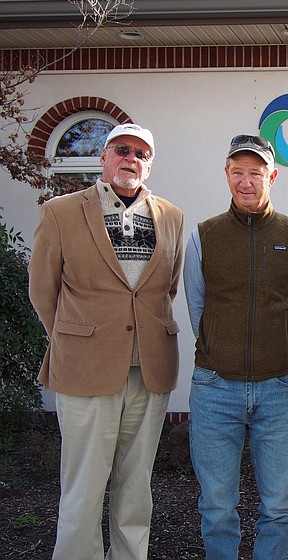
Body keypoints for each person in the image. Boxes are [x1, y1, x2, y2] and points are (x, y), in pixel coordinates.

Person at [28, 123, 184, 560]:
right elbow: (43, 291)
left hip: (150, 370)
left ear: (149, 163)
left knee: (136, 489)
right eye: (121, 149)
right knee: (83, 488)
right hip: (85, 370)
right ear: (104, 156)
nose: (130, 158)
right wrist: (78, 340)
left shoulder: (170, 215)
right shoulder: (60, 211)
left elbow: (164, 289)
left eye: (140, 152)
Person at [183, 134, 288, 560]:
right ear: (227, 175)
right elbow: (197, 306)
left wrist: (276, 348)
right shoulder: (203, 236)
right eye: (238, 172)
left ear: (272, 176)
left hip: (279, 388)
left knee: (280, 507)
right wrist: (222, 348)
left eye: (256, 173)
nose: (247, 182)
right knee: (216, 506)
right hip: (214, 388)